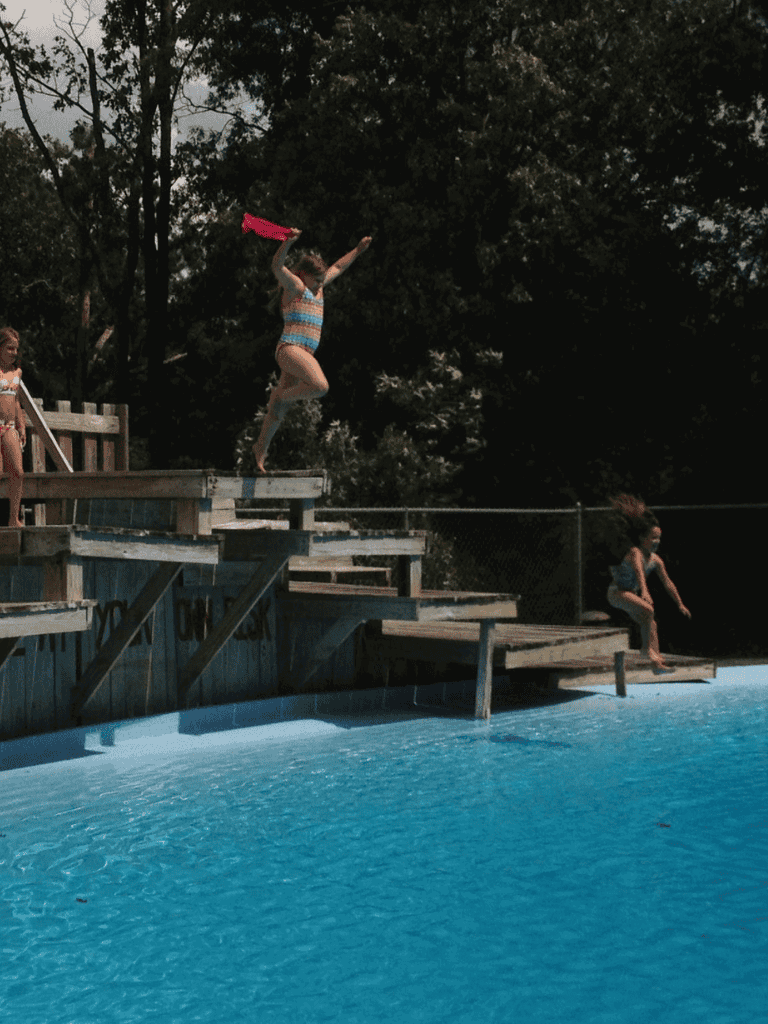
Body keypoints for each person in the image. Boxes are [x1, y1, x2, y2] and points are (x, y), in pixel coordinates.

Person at [252, 228, 372, 472]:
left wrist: (357, 251)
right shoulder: (296, 286)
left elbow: (338, 267)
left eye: (321, 281)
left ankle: (260, 451)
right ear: (304, 275)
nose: (320, 285)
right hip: (290, 349)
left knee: (278, 412)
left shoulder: (318, 286)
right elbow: (277, 266)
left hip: (303, 354)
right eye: (316, 281)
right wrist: (287, 242)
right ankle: (278, 396)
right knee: (320, 386)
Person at [606, 493, 691, 672]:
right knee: (648, 610)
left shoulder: (656, 560)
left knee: (651, 622)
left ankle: (657, 664)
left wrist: (680, 603)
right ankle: (646, 651)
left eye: (659, 539)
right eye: (653, 538)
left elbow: (668, 582)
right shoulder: (634, 552)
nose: (656, 542)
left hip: (629, 594)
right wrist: (644, 591)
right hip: (617, 593)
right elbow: (638, 572)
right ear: (642, 538)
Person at [0, 327, 26, 527]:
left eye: (16, 349)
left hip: (9, 427)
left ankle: (13, 518)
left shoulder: (17, 372)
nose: (14, 353)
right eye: (9, 348)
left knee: (17, 471)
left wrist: (22, 425)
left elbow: (16, 401)